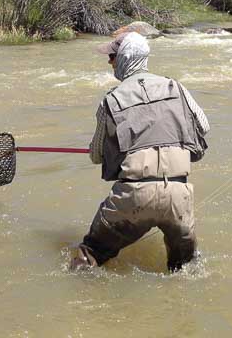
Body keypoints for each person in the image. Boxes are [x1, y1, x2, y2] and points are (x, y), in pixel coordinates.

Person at [71, 31, 210, 272]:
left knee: (89, 256)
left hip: (133, 196)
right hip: (178, 194)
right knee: (185, 270)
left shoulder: (110, 101)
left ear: (124, 58)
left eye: (112, 56)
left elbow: (96, 156)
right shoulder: (177, 87)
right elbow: (204, 127)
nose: (109, 62)